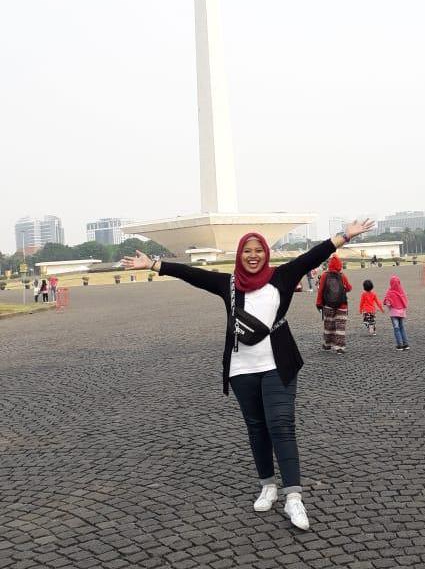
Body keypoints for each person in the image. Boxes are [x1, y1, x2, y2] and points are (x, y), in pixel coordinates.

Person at [122, 218, 374, 531]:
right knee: (257, 428)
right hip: (242, 368)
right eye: (247, 251)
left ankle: (293, 497)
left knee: (281, 426)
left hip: (277, 364)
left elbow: (313, 256)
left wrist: (345, 236)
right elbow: (192, 274)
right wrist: (153, 264)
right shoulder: (229, 284)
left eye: (258, 250)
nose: (253, 256)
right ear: (240, 255)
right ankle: (267, 485)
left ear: (265, 253)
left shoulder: (282, 276)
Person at [316, 255, 353, 354]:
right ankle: (339, 347)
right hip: (342, 305)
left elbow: (321, 290)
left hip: (328, 305)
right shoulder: (342, 275)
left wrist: (319, 303)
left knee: (328, 325)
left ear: (330, 264)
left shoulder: (324, 275)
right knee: (340, 327)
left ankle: (327, 344)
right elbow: (349, 288)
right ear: (339, 265)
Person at [383, 275, 410, 350]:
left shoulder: (390, 292)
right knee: (402, 327)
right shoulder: (401, 291)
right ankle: (406, 344)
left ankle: (400, 345)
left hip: (394, 313)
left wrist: (388, 304)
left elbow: (388, 303)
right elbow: (405, 301)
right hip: (401, 313)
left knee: (396, 328)